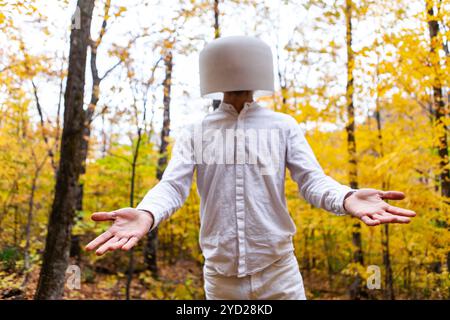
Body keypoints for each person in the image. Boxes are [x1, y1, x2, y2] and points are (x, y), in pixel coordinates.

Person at [86, 36, 416, 300]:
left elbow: (311, 181)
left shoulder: (283, 126)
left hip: (279, 272)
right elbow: (172, 186)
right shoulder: (197, 131)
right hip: (221, 278)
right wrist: (147, 213)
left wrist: (347, 198)